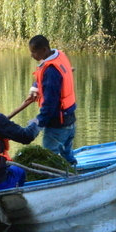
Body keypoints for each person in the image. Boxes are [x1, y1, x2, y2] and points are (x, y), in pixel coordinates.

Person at [26, 34, 77, 166]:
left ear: (43, 50)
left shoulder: (51, 70)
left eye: (34, 52)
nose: (32, 56)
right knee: (67, 157)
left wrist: (38, 123)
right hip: (69, 121)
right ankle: (74, 172)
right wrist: (35, 88)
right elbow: (46, 81)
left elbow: (50, 103)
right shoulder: (58, 55)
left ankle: (56, 183)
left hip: (57, 125)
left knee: (49, 158)